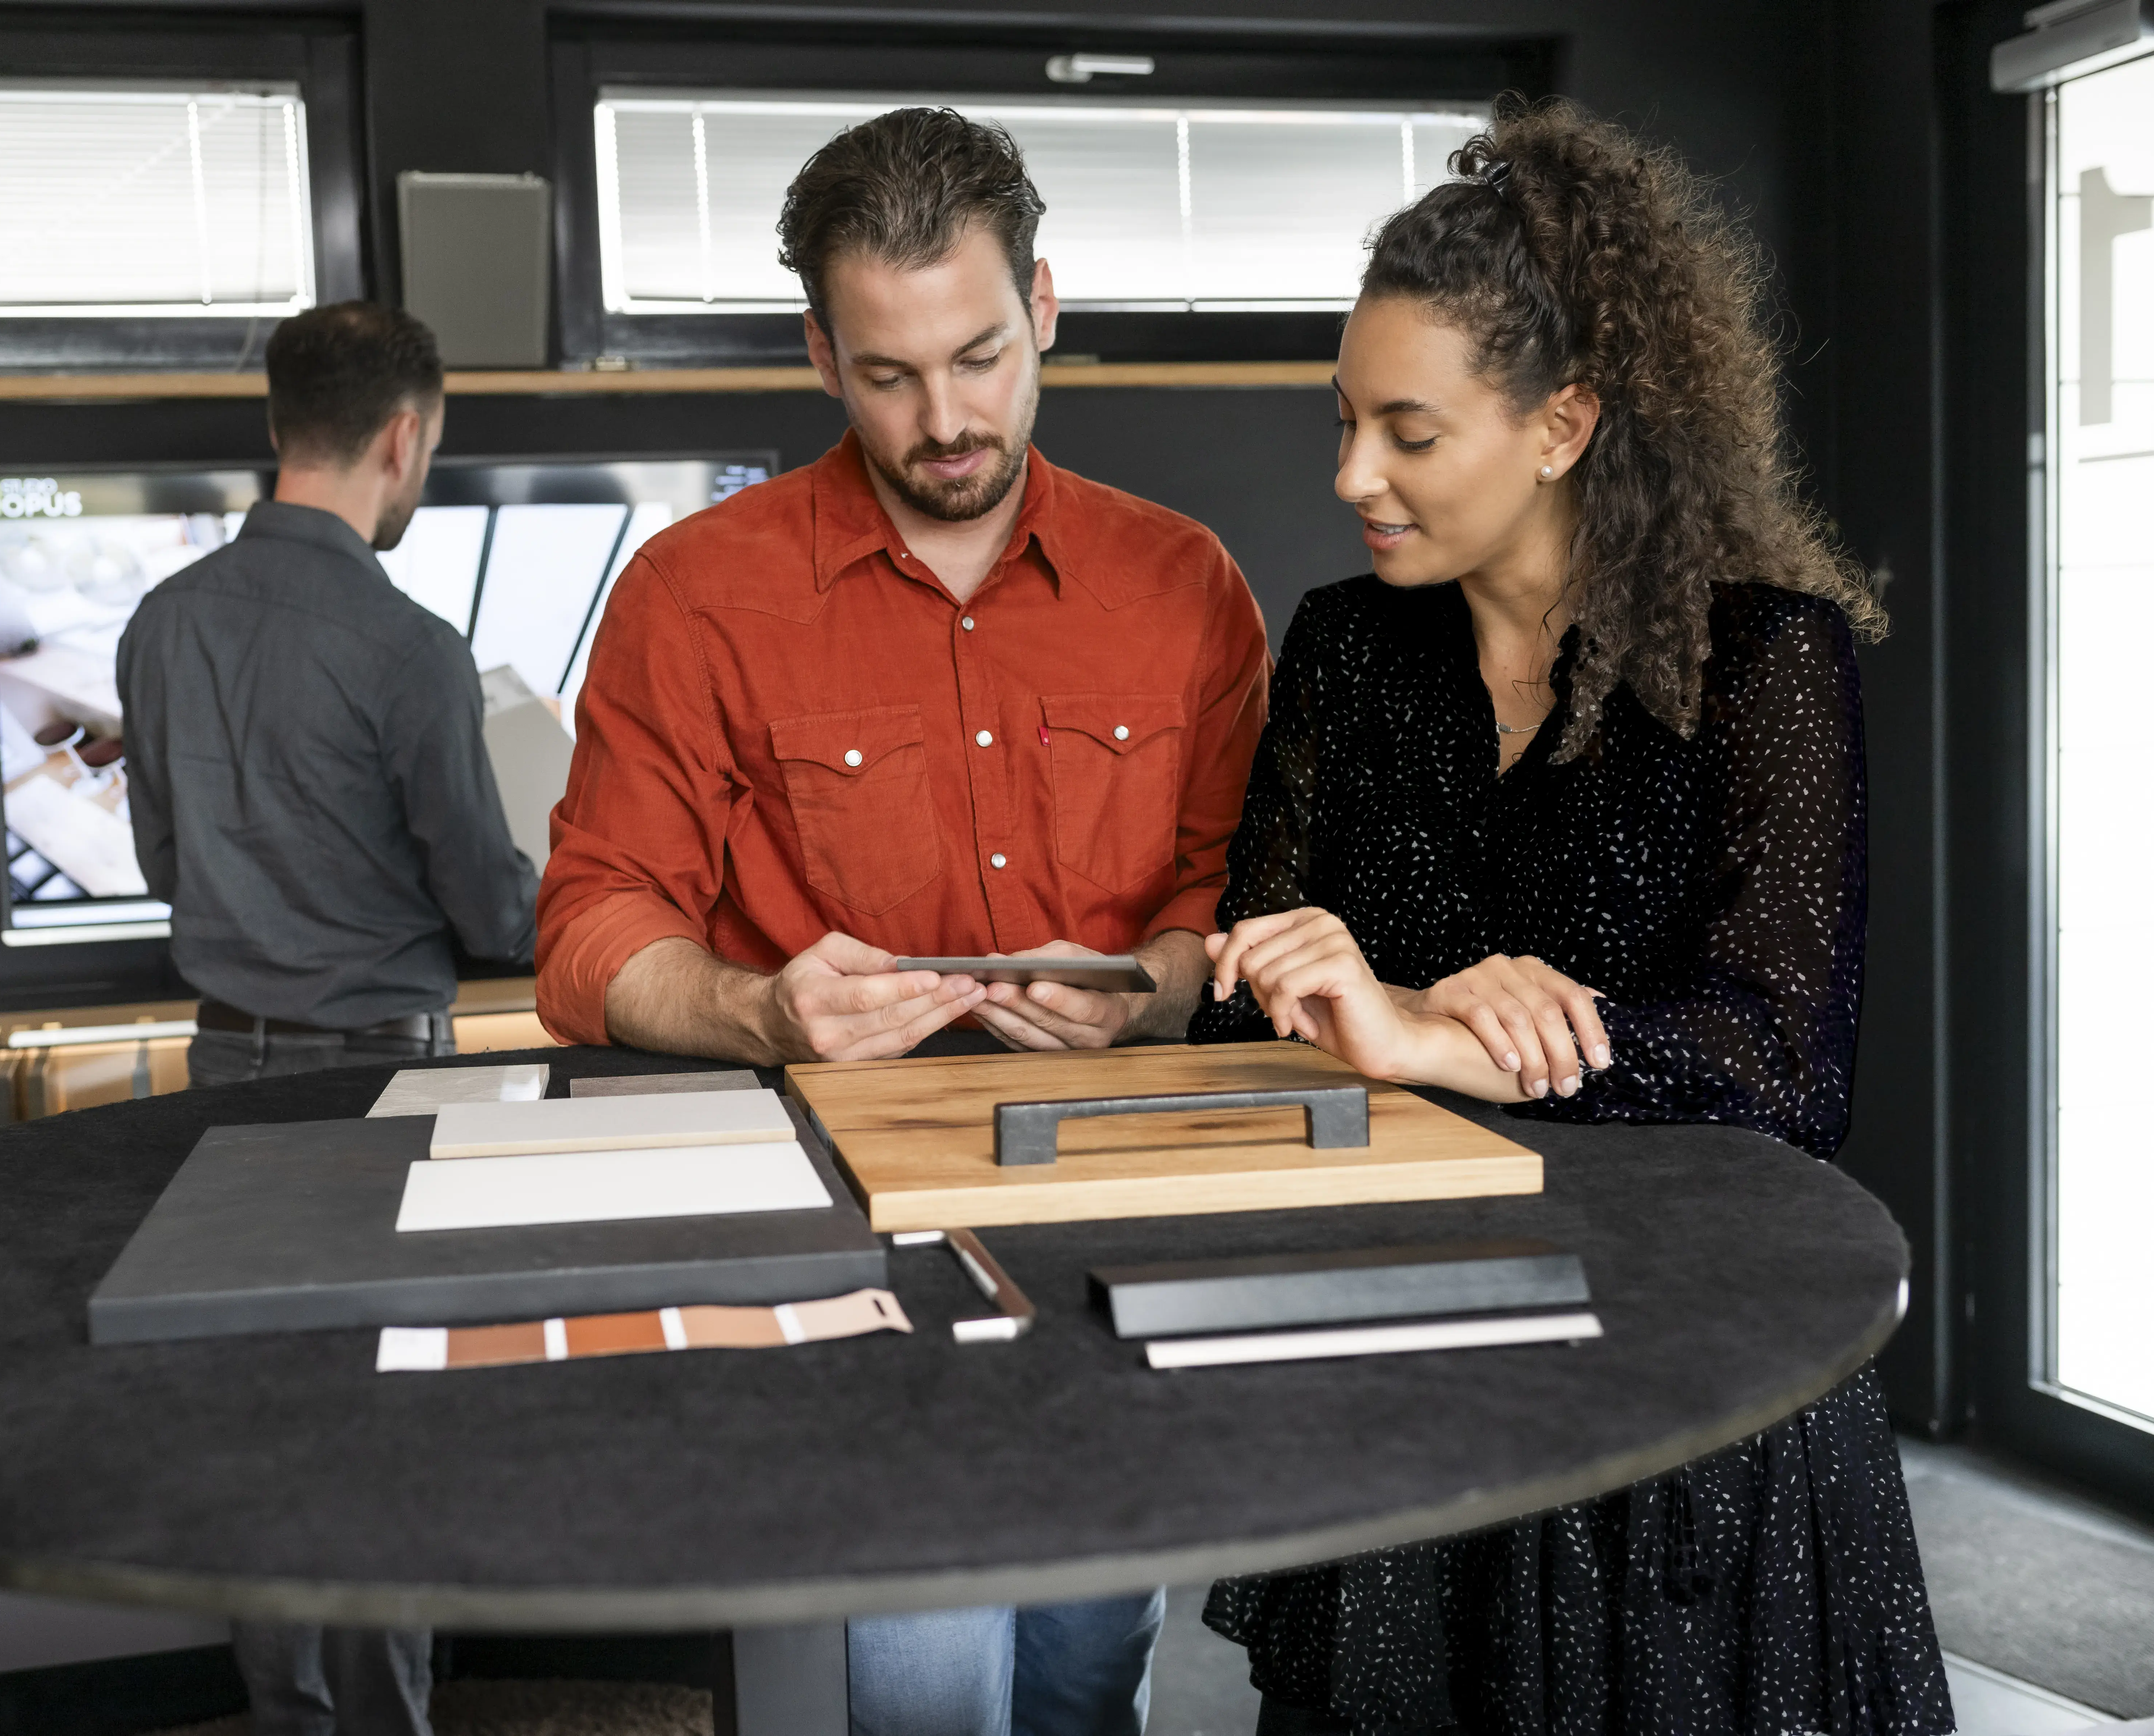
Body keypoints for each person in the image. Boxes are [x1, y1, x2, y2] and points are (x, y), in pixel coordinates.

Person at [1189, 99, 1953, 1735]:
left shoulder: (1766, 658)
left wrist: (1447, 1036)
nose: (1349, 476)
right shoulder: (1343, 648)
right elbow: (1241, 1003)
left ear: (1561, 424)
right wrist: (1375, 1006)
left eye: (1407, 430)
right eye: (1343, 421)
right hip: (1411, 1359)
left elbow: (1781, 1069)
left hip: (1689, 1388)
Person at [534, 108, 1270, 1736]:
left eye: (981, 355)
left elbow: (1234, 892)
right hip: (836, 1248)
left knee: (1087, 1681)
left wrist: (1148, 989)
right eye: (887, 374)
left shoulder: (1187, 585)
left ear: (1046, 307)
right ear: (818, 353)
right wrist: (761, 1013)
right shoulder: (693, 594)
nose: (945, 418)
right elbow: (591, 925)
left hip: (1111, 1231)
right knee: (922, 1690)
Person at [119, 301, 539, 1736]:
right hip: (380, 1089)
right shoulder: (410, 646)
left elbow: (166, 865)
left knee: (260, 1433)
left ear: (279, 429)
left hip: (212, 1072)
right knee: (374, 1437)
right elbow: (492, 913)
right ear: (405, 436)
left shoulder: (161, 623)